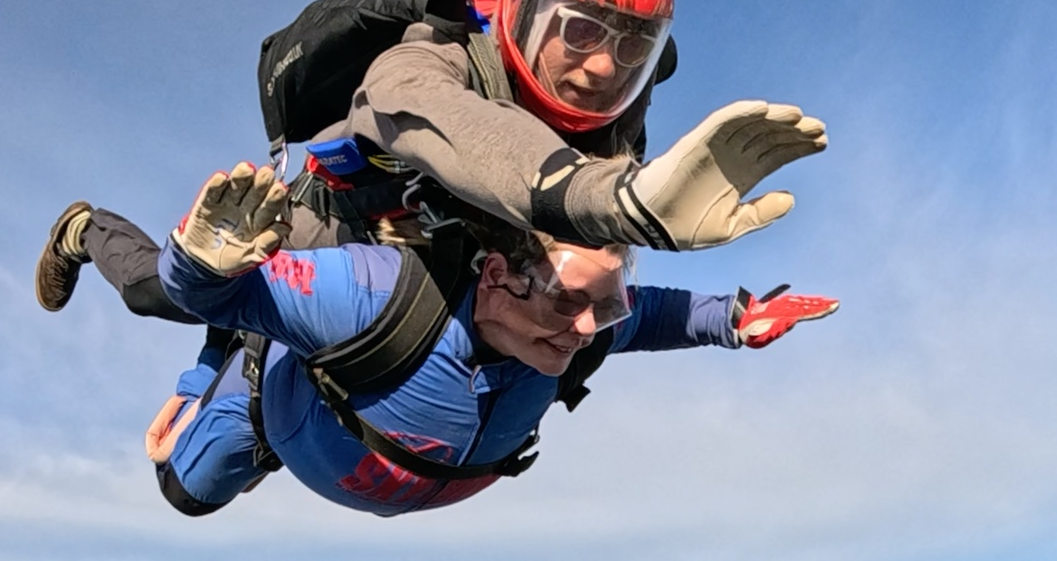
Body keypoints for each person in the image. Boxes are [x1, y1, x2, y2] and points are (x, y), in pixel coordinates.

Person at [36, 0, 826, 315]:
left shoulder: (618, 124)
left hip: (450, 256)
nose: (600, 67)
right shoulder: (432, 55)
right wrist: (607, 199)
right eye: (582, 30)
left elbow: (601, 291)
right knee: (170, 294)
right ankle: (84, 231)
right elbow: (436, 116)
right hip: (327, 226)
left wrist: (728, 314)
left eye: (632, 49)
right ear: (522, 8)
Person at [141, 163, 838, 518]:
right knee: (185, 492)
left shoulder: (574, 330)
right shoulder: (366, 296)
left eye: (605, 303)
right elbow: (213, 293)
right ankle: (93, 233)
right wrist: (198, 260)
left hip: (352, 438)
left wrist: (735, 318)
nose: (588, 328)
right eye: (571, 300)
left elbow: (651, 314)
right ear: (499, 276)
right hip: (275, 411)